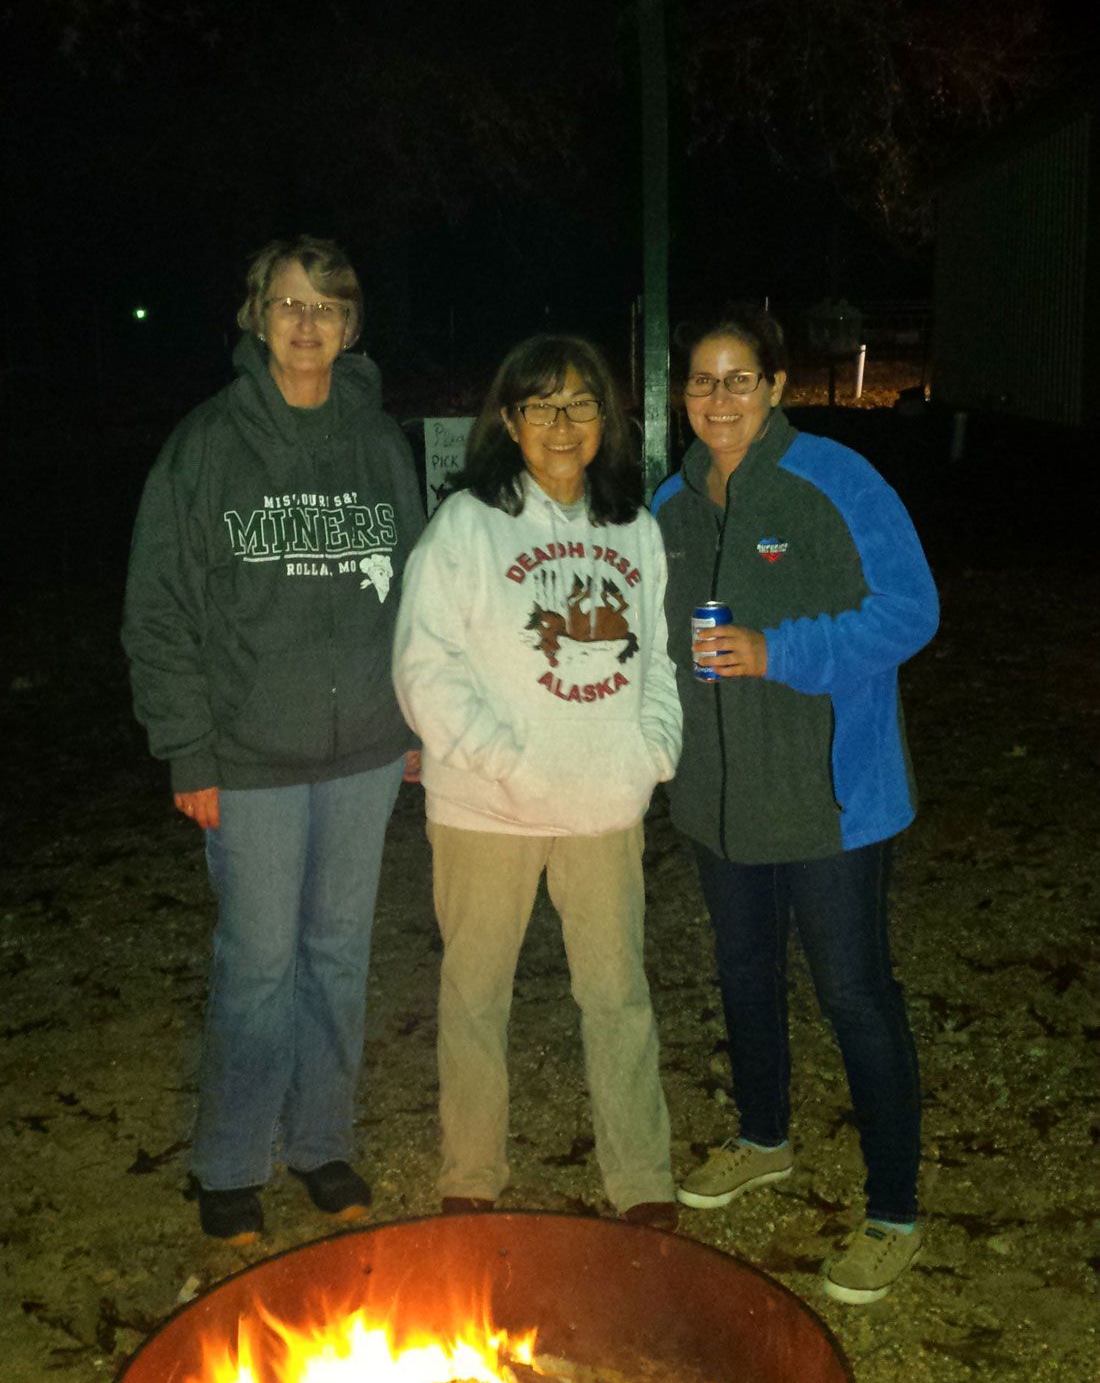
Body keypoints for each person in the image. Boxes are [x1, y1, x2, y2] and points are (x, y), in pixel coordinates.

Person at [122, 234, 424, 1244]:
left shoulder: (379, 443)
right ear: (257, 316)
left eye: (326, 306)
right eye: (287, 304)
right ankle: (229, 1159)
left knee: (337, 953)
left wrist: (412, 718)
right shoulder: (206, 445)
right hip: (246, 760)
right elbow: (157, 610)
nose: (306, 324)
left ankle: (321, 1142)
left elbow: (416, 595)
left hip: (366, 753)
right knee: (257, 962)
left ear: (350, 324)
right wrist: (189, 750)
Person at [652, 305, 939, 1303]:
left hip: (830, 800)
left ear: (773, 386)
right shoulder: (670, 504)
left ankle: (892, 1210)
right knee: (741, 973)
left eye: (737, 379)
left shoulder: (837, 480)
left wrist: (781, 653)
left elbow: (909, 610)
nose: (716, 398)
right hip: (720, 802)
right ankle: (761, 1138)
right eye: (699, 381)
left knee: (853, 994)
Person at [392, 334, 682, 1229]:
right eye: (542, 406)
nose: (563, 424)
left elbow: (658, 657)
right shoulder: (466, 526)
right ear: (509, 421)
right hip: (487, 809)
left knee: (618, 997)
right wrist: (501, 760)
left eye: (582, 404)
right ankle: (472, 1174)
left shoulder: (632, 526)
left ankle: (640, 1180)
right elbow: (422, 666)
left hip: (603, 805)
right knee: (475, 997)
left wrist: (652, 754)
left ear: (608, 419)